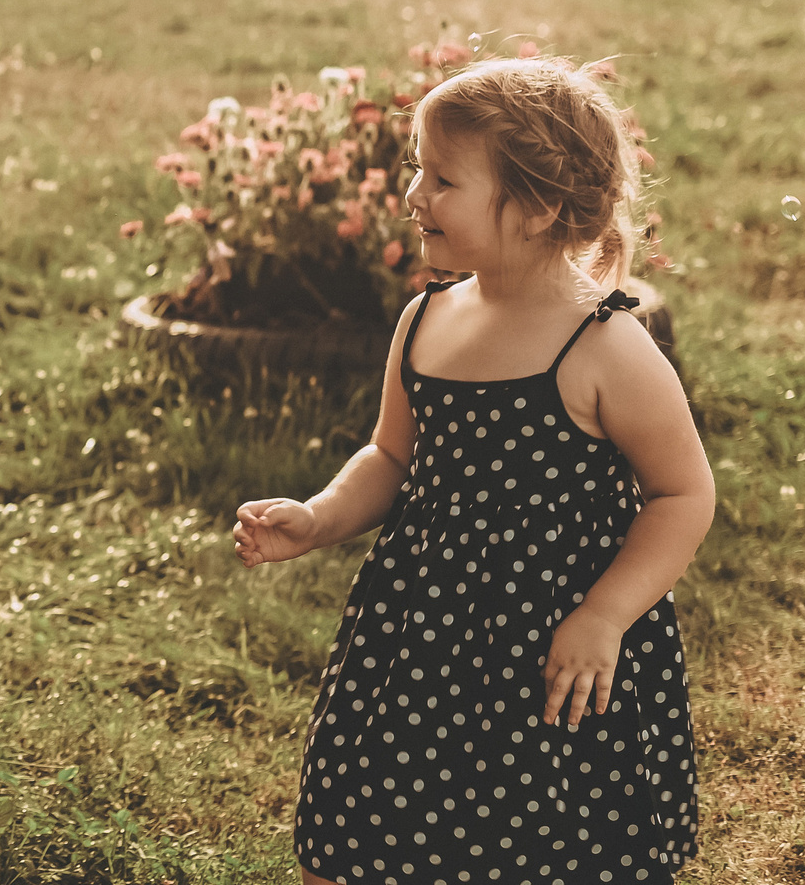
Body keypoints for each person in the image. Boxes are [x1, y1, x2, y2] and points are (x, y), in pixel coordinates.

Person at [233, 57, 709, 884]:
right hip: (418, 630)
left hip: (552, 639)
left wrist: (605, 615)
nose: (414, 194)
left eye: (443, 177)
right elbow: (392, 455)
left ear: (538, 208)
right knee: (362, 817)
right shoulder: (427, 319)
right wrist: (319, 517)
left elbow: (683, 493)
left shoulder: (603, 345)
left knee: (547, 838)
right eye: (418, 168)